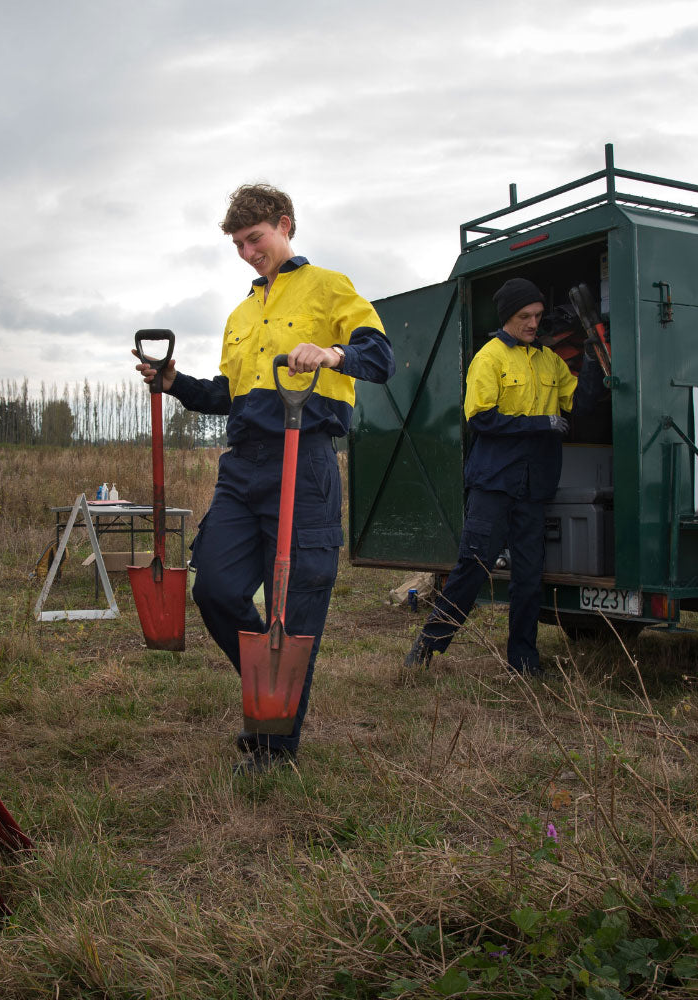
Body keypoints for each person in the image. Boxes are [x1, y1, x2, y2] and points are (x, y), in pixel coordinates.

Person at [134, 183, 394, 773]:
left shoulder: (330, 287)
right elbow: (228, 395)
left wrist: (330, 354)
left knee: (297, 604)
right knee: (216, 590)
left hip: (305, 459)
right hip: (244, 464)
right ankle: (268, 684)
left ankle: (276, 742)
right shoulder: (241, 313)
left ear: (285, 225)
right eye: (238, 244)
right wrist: (174, 383)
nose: (248, 252)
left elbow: (379, 357)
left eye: (255, 239)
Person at [404, 277, 597, 675]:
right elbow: (481, 418)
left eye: (538, 316)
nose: (532, 323)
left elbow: (579, 403)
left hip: (535, 483)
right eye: (525, 316)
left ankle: (524, 662)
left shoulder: (550, 361)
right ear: (507, 317)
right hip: (494, 481)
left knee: (529, 576)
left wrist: (594, 353)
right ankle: (427, 646)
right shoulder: (488, 358)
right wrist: (539, 423)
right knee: (473, 566)